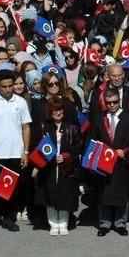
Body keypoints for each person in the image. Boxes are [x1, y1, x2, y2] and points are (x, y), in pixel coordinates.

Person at [0, 69, 32, 232]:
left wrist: (25, 151)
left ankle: (8, 217)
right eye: (4, 86)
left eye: (10, 86)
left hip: (15, 152)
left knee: (11, 188)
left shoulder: (21, 102)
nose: (8, 89)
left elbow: (26, 127)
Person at [91, 88, 129, 237]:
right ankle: (104, 224)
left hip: (122, 163)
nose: (112, 105)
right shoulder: (100, 119)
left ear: (119, 101)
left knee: (122, 193)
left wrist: (125, 151)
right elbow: (93, 140)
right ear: (105, 103)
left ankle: (120, 223)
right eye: (109, 103)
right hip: (104, 163)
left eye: (115, 102)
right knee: (104, 194)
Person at [33, 97, 81, 236]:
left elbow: (77, 147)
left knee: (65, 195)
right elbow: (38, 146)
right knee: (50, 195)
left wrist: (67, 156)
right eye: (55, 111)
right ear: (50, 112)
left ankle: (63, 223)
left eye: (60, 110)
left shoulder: (71, 127)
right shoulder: (44, 127)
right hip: (49, 167)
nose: (58, 113)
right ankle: (53, 224)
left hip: (66, 167)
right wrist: (47, 157)